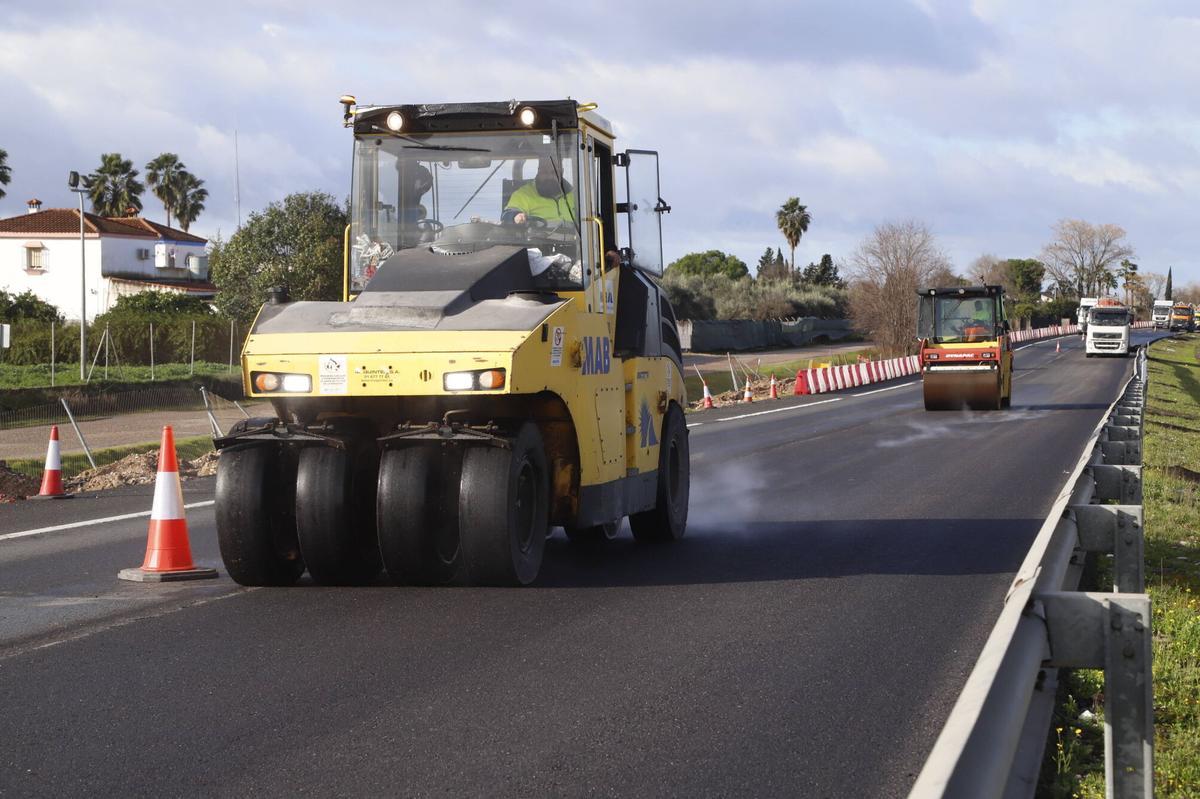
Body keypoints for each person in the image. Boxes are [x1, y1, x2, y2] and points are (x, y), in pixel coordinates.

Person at [502, 157, 577, 225]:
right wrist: (516, 216)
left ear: (562, 172)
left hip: (576, 239)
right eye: (545, 172)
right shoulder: (523, 194)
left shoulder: (577, 196)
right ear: (538, 171)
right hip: (538, 238)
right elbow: (507, 215)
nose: (549, 176)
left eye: (554, 172)